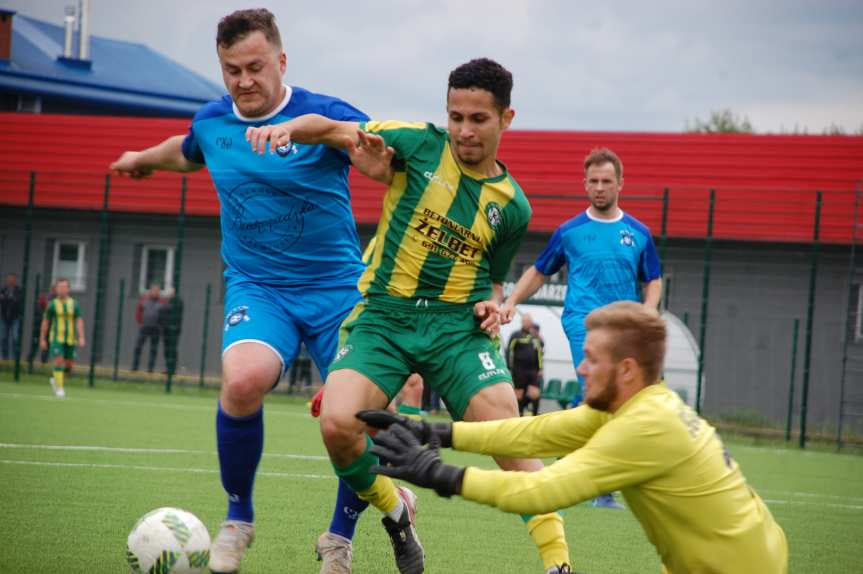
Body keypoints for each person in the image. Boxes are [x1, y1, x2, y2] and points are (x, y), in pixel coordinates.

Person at [246, 57, 571, 574]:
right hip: (385, 318)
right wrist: (285, 126)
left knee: (511, 439)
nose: (463, 130)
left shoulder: (513, 206)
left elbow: (491, 277)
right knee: (336, 424)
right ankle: (396, 510)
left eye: (478, 119)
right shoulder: (416, 143)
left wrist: (491, 302)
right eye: (455, 116)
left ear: (506, 118)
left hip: (455, 331)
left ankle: (558, 562)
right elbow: (331, 128)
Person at [109, 9, 394, 574]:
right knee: (241, 382)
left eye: (256, 67)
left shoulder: (326, 114)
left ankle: (338, 538)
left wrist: (319, 132)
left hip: (338, 289)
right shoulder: (215, 122)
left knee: (360, 414)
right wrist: (142, 160)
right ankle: (238, 520)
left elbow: (383, 160)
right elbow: (188, 150)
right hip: (259, 287)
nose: (244, 80)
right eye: (232, 69)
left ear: (281, 62)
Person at [362, 301, 788, 574]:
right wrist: (432, 431)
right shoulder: (639, 405)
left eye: (590, 358)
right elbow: (532, 432)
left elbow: (542, 491)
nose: (581, 368)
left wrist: (436, 473)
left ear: (625, 370)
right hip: (740, 555)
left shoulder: (643, 427)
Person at [501, 147, 662, 509]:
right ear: (584, 184)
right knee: (602, 390)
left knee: (615, 398)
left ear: (621, 183)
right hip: (583, 324)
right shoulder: (569, 232)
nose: (600, 187)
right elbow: (540, 270)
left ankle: (565, 447)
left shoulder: (638, 233)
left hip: (626, 327)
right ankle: (600, 485)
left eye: (607, 181)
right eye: (593, 181)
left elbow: (653, 279)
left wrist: (649, 310)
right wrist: (512, 301)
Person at [38, 278, 85, 398]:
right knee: (59, 360)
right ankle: (60, 388)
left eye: (64, 287)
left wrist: (81, 336)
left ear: (68, 289)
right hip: (56, 338)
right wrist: (42, 338)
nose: (62, 289)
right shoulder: (52, 304)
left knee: (69, 366)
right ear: (56, 289)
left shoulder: (74, 304)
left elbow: (79, 320)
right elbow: (46, 321)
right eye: (59, 287)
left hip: (70, 339)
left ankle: (56, 379)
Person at [506, 313, 543, 416]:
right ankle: (519, 415)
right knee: (519, 394)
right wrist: (509, 367)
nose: (529, 323)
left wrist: (540, 368)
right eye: (527, 321)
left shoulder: (535, 337)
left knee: (535, 393)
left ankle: (535, 416)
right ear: (522, 322)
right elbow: (509, 351)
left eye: (530, 321)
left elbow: (539, 353)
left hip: (532, 370)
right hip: (519, 370)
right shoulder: (516, 335)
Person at [133, 283, 163, 372]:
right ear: (150, 291)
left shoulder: (162, 302)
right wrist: (140, 323)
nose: (155, 292)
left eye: (157, 291)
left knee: (153, 349)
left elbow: (165, 315)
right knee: (138, 346)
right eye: (153, 290)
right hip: (144, 327)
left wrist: (161, 325)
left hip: (156, 328)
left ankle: (150, 369)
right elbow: (138, 312)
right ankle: (135, 367)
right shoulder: (144, 300)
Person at [157, 287, 183, 376]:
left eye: (171, 291)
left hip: (174, 330)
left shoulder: (177, 301)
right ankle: (168, 368)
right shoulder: (167, 301)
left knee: (172, 349)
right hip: (166, 329)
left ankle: (172, 369)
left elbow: (171, 310)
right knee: (166, 349)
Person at [0, 272, 23, 360]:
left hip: (15, 318)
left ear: (15, 281)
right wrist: (7, 298)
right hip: (4, 317)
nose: (10, 281)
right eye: (9, 279)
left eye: (12, 279)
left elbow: (17, 301)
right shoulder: (3, 289)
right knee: (3, 338)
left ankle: (15, 359)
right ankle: (5, 358)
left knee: (15, 338)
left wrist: (7, 298)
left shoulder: (19, 290)